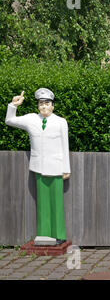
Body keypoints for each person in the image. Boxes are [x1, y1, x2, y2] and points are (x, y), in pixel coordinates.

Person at [5, 88, 70, 245]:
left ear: (53, 106)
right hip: (38, 167)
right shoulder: (31, 119)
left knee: (56, 202)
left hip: (56, 167)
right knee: (42, 202)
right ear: (38, 106)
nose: (44, 107)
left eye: (47, 104)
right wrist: (13, 105)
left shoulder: (61, 122)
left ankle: (59, 234)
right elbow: (9, 120)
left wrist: (66, 168)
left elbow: (64, 145)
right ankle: (44, 233)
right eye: (41, 104)